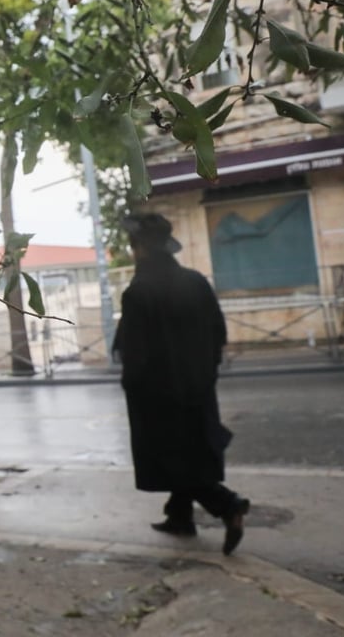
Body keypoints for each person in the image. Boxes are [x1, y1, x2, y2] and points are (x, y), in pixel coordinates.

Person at [112, 212, 250, 555]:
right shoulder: (196, 281)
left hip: (159, 396)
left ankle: (228, 505)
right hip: (199, 387)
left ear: (140, 248)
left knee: (175, 460)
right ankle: (179, 516)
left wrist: (132, 388)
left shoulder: (139, 291)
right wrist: (207, 371)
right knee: (191, 452)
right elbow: (218, 331)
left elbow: (135, 353)